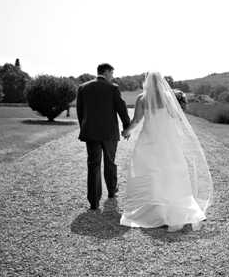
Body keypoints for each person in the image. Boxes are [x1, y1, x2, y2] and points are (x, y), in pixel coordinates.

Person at [120, 72, 213, 232]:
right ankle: (173, 208)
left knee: (152, 173)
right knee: (171, 172)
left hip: (148, 140)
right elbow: (176, 116)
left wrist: (127, 131)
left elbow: (136, 120)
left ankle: (157, 209)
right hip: (168, 141)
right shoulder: (168, 97)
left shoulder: (142, 98)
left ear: (147, 82)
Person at [76, 63, 131, 210]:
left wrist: (85, 129)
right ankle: (112, 191)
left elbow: (80, 112)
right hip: (109, 133)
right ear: (106, 72)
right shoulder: (113, 88)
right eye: (112, 73)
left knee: (93, 165)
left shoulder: (83, 87)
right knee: (110, 162)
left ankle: (94, 201)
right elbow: (121, 108)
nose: (112, 76)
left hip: (91, 133)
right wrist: (127, 127)